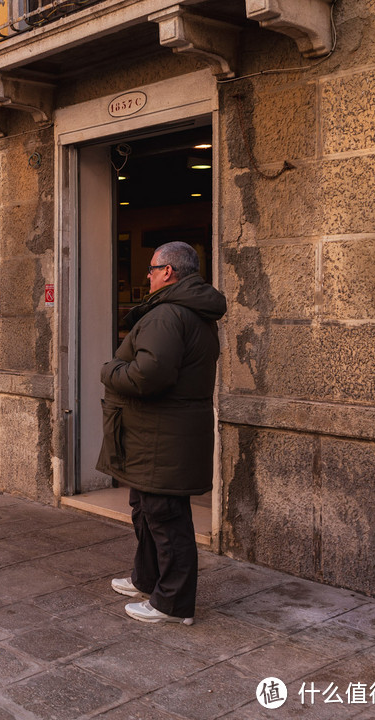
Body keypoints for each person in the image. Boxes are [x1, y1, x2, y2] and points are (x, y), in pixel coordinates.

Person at [98, 241, 226, 625]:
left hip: (161, 436)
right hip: (160, 434)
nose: (148, 277)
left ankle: (171, 604)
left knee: (166, 520)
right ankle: (147, 579)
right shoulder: (188, 313)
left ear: (168, 272)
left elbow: (149, 375)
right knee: (147, 511)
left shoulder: (167, 314)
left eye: (151, 270)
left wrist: (108, 370)